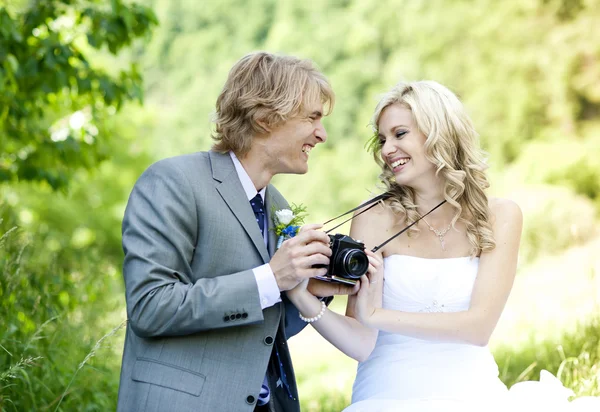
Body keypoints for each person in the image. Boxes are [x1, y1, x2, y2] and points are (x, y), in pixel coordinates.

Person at [287, 80, 600, 411]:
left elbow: (478, 328)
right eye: (382, 139)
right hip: (384, 397)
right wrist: (300, 296)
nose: (387, 149)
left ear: (439, 132)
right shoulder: (372, 217)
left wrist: (378, 314)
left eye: (400, 134)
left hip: (473, 396)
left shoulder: (499, 216)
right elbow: (361, 343)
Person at [116, 51, 352, 412]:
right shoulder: (173, 182)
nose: (321, 134)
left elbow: (262, 334)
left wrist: (310, 291)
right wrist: (271, 278)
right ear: (264, 119)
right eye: (312, 117)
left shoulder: (280, 207)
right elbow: (151, 307)